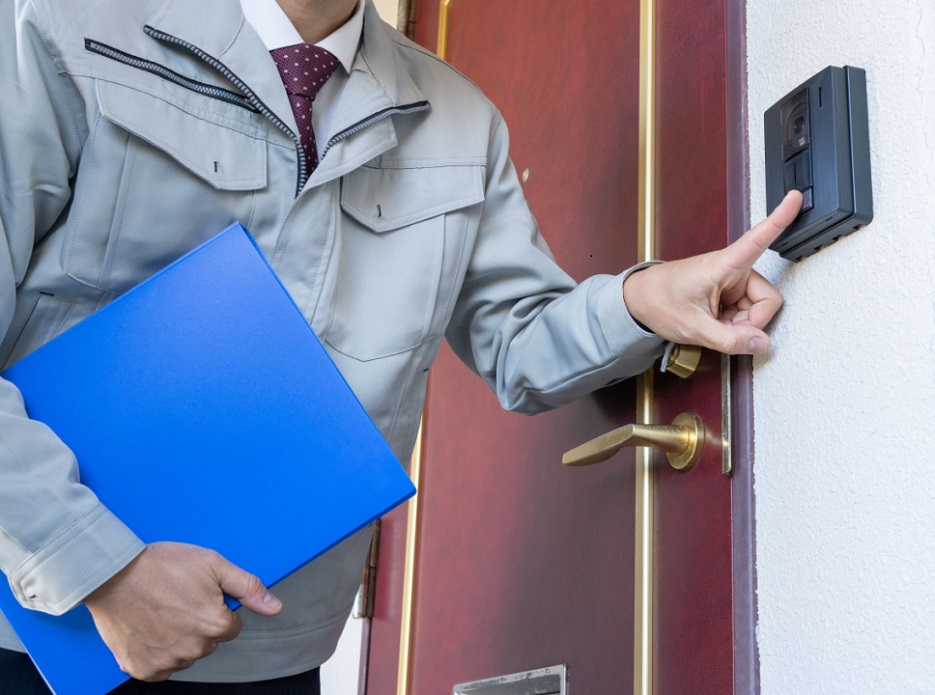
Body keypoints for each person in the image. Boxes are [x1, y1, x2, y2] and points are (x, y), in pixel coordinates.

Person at [0, 0, 802, 691]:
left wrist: (641, 300)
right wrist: (98, 565)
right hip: (36, 614)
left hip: (267, 649)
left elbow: (520, 341)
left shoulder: (461, 118)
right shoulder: (59, 24)